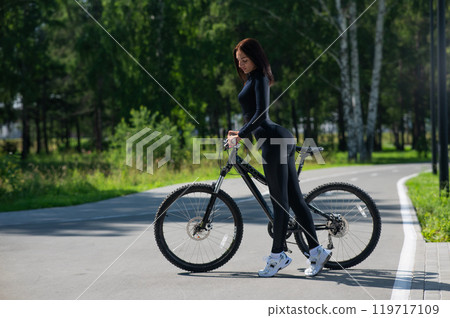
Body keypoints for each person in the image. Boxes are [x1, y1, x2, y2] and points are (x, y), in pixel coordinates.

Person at [227, 38, 331, 278]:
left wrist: (242, 135)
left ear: (255, 58)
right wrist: (240, 132)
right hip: (273, 140)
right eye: (238, 61)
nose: (241, 64)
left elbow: (261, 115)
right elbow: (251, 116)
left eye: (245, 59)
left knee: (280, 201)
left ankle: (277, 257)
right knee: (294, 200)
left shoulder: (261, 77)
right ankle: (317, 252)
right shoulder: (253, 79)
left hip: (274, 141)